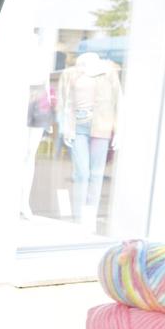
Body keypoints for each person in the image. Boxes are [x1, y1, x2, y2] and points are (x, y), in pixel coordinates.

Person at [57, 52, 122, 228]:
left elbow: (118, 103)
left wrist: (118, 130)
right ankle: (78, 217)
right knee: (81, 173)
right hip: (77, 127)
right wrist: (65, 128)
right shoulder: (70, 74)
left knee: (96, 173)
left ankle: (89, 217)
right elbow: (63, 102)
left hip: (101, 126)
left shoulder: (109, 73)